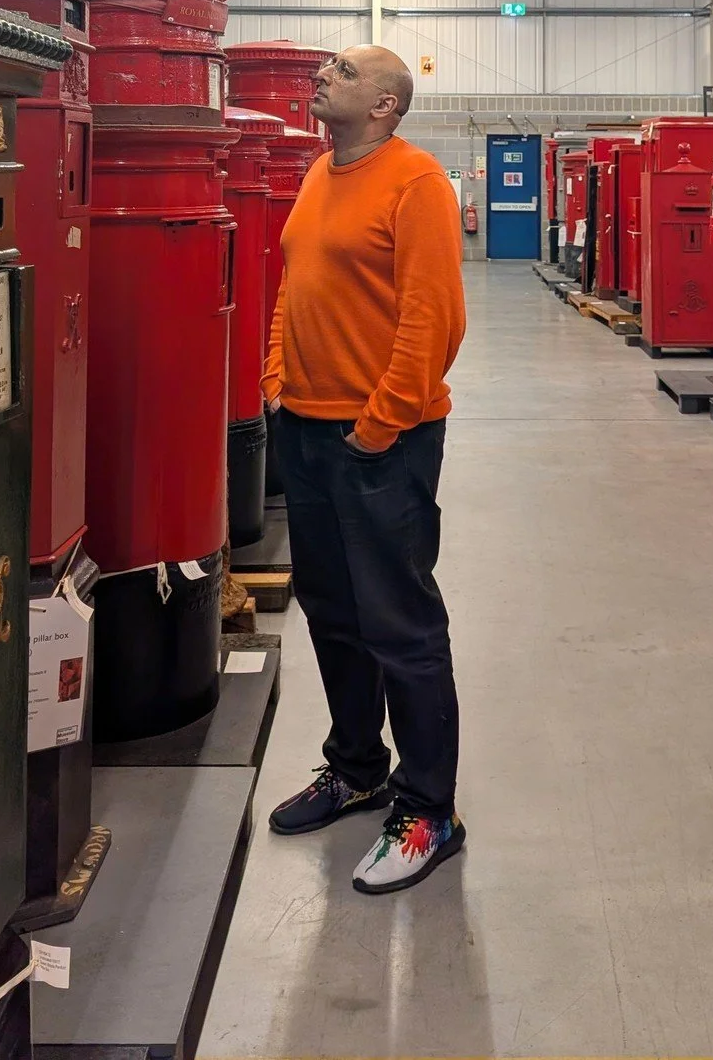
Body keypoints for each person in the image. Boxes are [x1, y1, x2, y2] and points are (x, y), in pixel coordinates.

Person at [261, 45, 467, 895]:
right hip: (305, 429)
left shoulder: (415, 182)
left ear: (385, 105)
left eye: (343, 72)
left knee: (401, 626)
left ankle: (429, 810)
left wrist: (380, 425)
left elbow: (434, 320)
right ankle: (355, 767)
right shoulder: (318, 173)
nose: (322, 76)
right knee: (333, 612)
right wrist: (276, 377)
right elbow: (293, 283)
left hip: (380, 440)